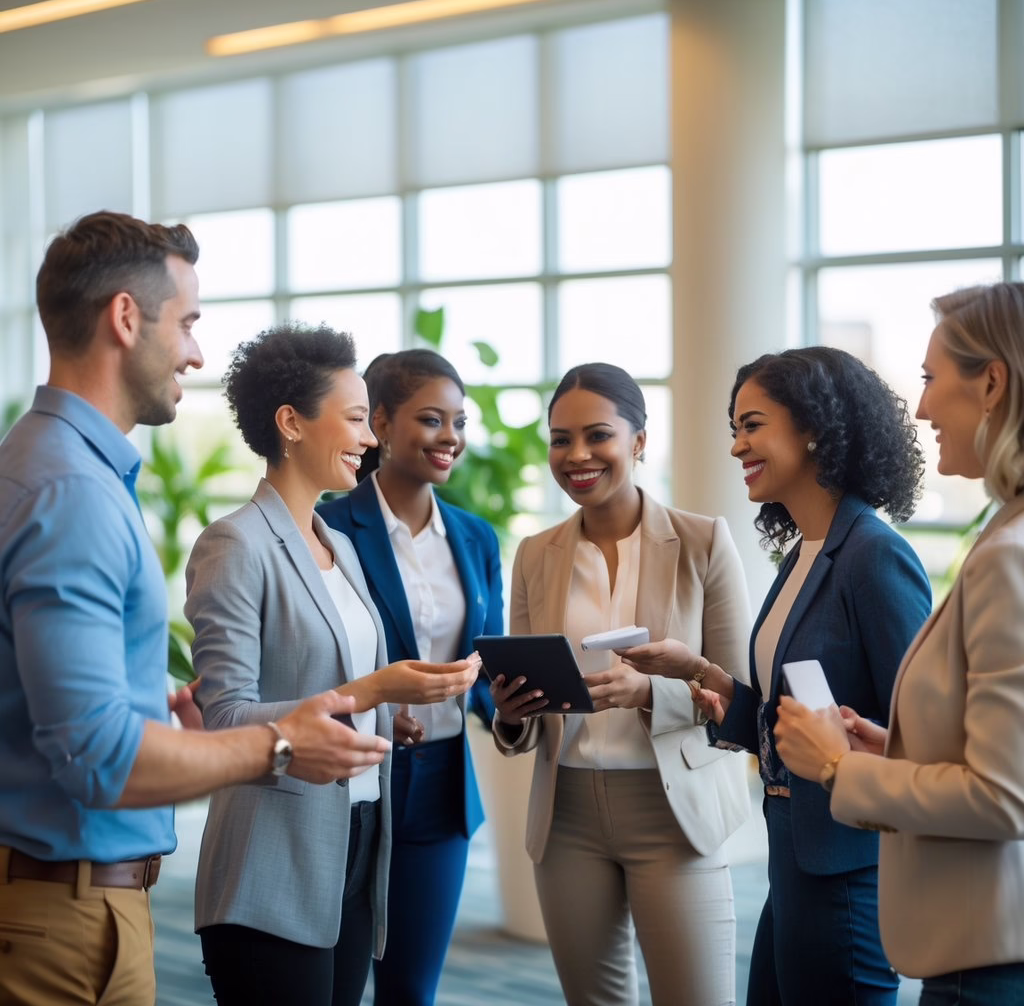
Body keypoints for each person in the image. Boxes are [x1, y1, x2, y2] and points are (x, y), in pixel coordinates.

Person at [0, 212, 390, 1006]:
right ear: (124, 317)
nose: (196, 352)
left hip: (69, 898)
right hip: (68, 922)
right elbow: (97, 755)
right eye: (188, 323)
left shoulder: (47, 464)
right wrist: (277, 746)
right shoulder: (72, 492)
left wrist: (171, 731)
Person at [184, 324, 481, 1006]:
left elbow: (333, 686)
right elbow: (226, 717)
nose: (369, 439)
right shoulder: (234, 545)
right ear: (291, 423)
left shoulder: (337, 545)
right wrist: (372, 688)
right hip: (274, 856)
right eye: (354, 419)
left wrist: (383, 712)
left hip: (357, 840)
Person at [625, 347, 931, 1005]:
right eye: (735, 427)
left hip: (849, 870)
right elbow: (781, 716)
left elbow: (923, 733)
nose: (737, 446)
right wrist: (702, 673)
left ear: (815, 428)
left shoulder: (875, 559)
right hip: (793, 860)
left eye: (753, 424)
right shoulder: (803, 554)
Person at [775, 283, 1024, 1005]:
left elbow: (1003, 798)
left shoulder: (1007, 555)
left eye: (929, 378)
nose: (919, 409)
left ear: (992, 381)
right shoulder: (1002, 535)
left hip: (985, 952)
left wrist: (834, 768)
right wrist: (894, 750)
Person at [490, 362, 752, 1006]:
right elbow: (521, 716)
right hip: (568, 814)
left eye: (597, 435)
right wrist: (513, 711)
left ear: (638, 441)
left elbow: (740, 698)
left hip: (672, 811)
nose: (576, 455)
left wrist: (649, 693)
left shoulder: (703, 542)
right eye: (560, 439)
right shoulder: (535, 552)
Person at [317, 348, 503, 1006]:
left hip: (442, 787)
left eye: (459, 421)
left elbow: (486, 665)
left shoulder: (476, 538)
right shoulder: (330, 528)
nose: (450, 436)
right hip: (354, 780)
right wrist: (370, 708)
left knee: (410, 990)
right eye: (432, 419)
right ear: (384, 423)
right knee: (332, 986)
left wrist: (510, 704)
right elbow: (316, 658)